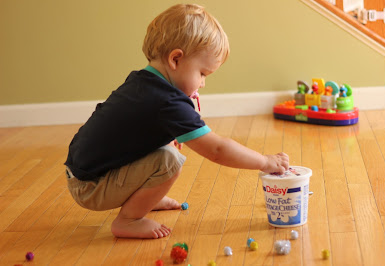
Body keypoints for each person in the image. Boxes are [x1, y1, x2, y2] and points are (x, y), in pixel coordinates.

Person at [64, 3, 289, 239]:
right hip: (90, 187)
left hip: (82, 172)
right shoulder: (167, 103)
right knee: (170, 161)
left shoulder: (143, 82)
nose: (203, 83)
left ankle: (146, 198)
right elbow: (218, 149)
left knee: (166, 146)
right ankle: (129, 219)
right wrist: (265, 161)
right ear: (176, 59)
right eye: (202, 73)